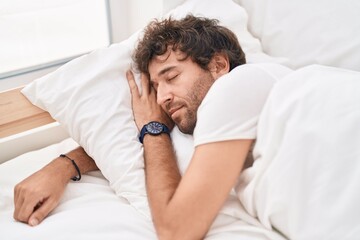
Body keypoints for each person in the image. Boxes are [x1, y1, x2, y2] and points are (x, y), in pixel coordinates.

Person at [13, 15, 291, 239]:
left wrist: (154, 130)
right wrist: (65, 165)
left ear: (218, 65)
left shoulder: (238, 85)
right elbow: (119, 137)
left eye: (171, 76)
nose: (161, 98)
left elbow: (177, 231)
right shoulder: (217, 122)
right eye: (156, 87)